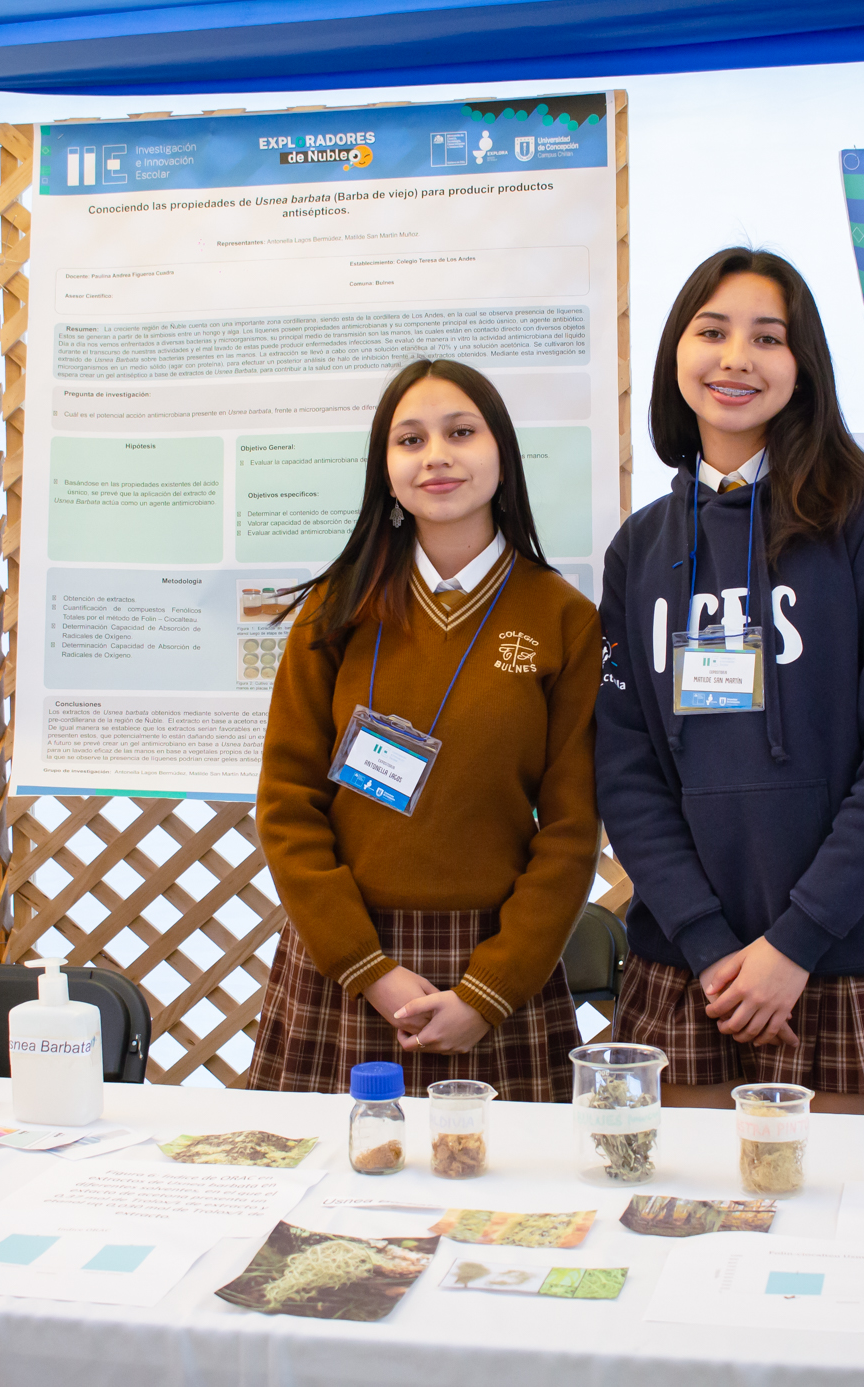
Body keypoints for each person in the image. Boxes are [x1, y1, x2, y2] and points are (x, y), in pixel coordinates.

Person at [596, 248, 864, 1116]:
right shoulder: (641, 549)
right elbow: (625, 768)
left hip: (847, 950)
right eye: (712, 332)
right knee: (680, 1198)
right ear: (676, 351)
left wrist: (795, 941)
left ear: (803, 369)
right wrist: (706, 940)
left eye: (768, 338)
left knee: (831, 1203)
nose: (736, 359)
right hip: (692, 962)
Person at [249, 358, 602, 1102]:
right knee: (335, 1174)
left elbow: (571, 830)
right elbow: (286, 805)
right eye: (410, 439)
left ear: (503, 454)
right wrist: (368, 968)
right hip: (348, 967)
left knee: (503, 1180)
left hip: (494, 974)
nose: (435, 455)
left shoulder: (562, 618)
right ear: (386, 471)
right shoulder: (333, 612)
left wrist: (489, 990)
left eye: (461, 432)